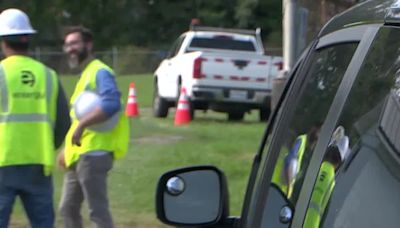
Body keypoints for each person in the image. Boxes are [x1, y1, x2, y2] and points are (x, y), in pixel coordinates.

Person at [0, 8, 70, 228]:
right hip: (39, 164)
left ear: (3, 41)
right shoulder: (48, 75)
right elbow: (63, 123)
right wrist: (48, 146)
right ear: (27, 39)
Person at [58, 26, 129, 228]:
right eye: (67, 44)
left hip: (94, 154)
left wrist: (82, 125)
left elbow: (111, 104)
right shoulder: (86, 74)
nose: (70, 48)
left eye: (75, 43)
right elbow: (78, 116)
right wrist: (67, 149)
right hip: (80, 153)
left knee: (97, 211)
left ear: (88, 45)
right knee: (67, 208)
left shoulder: (100, 72)